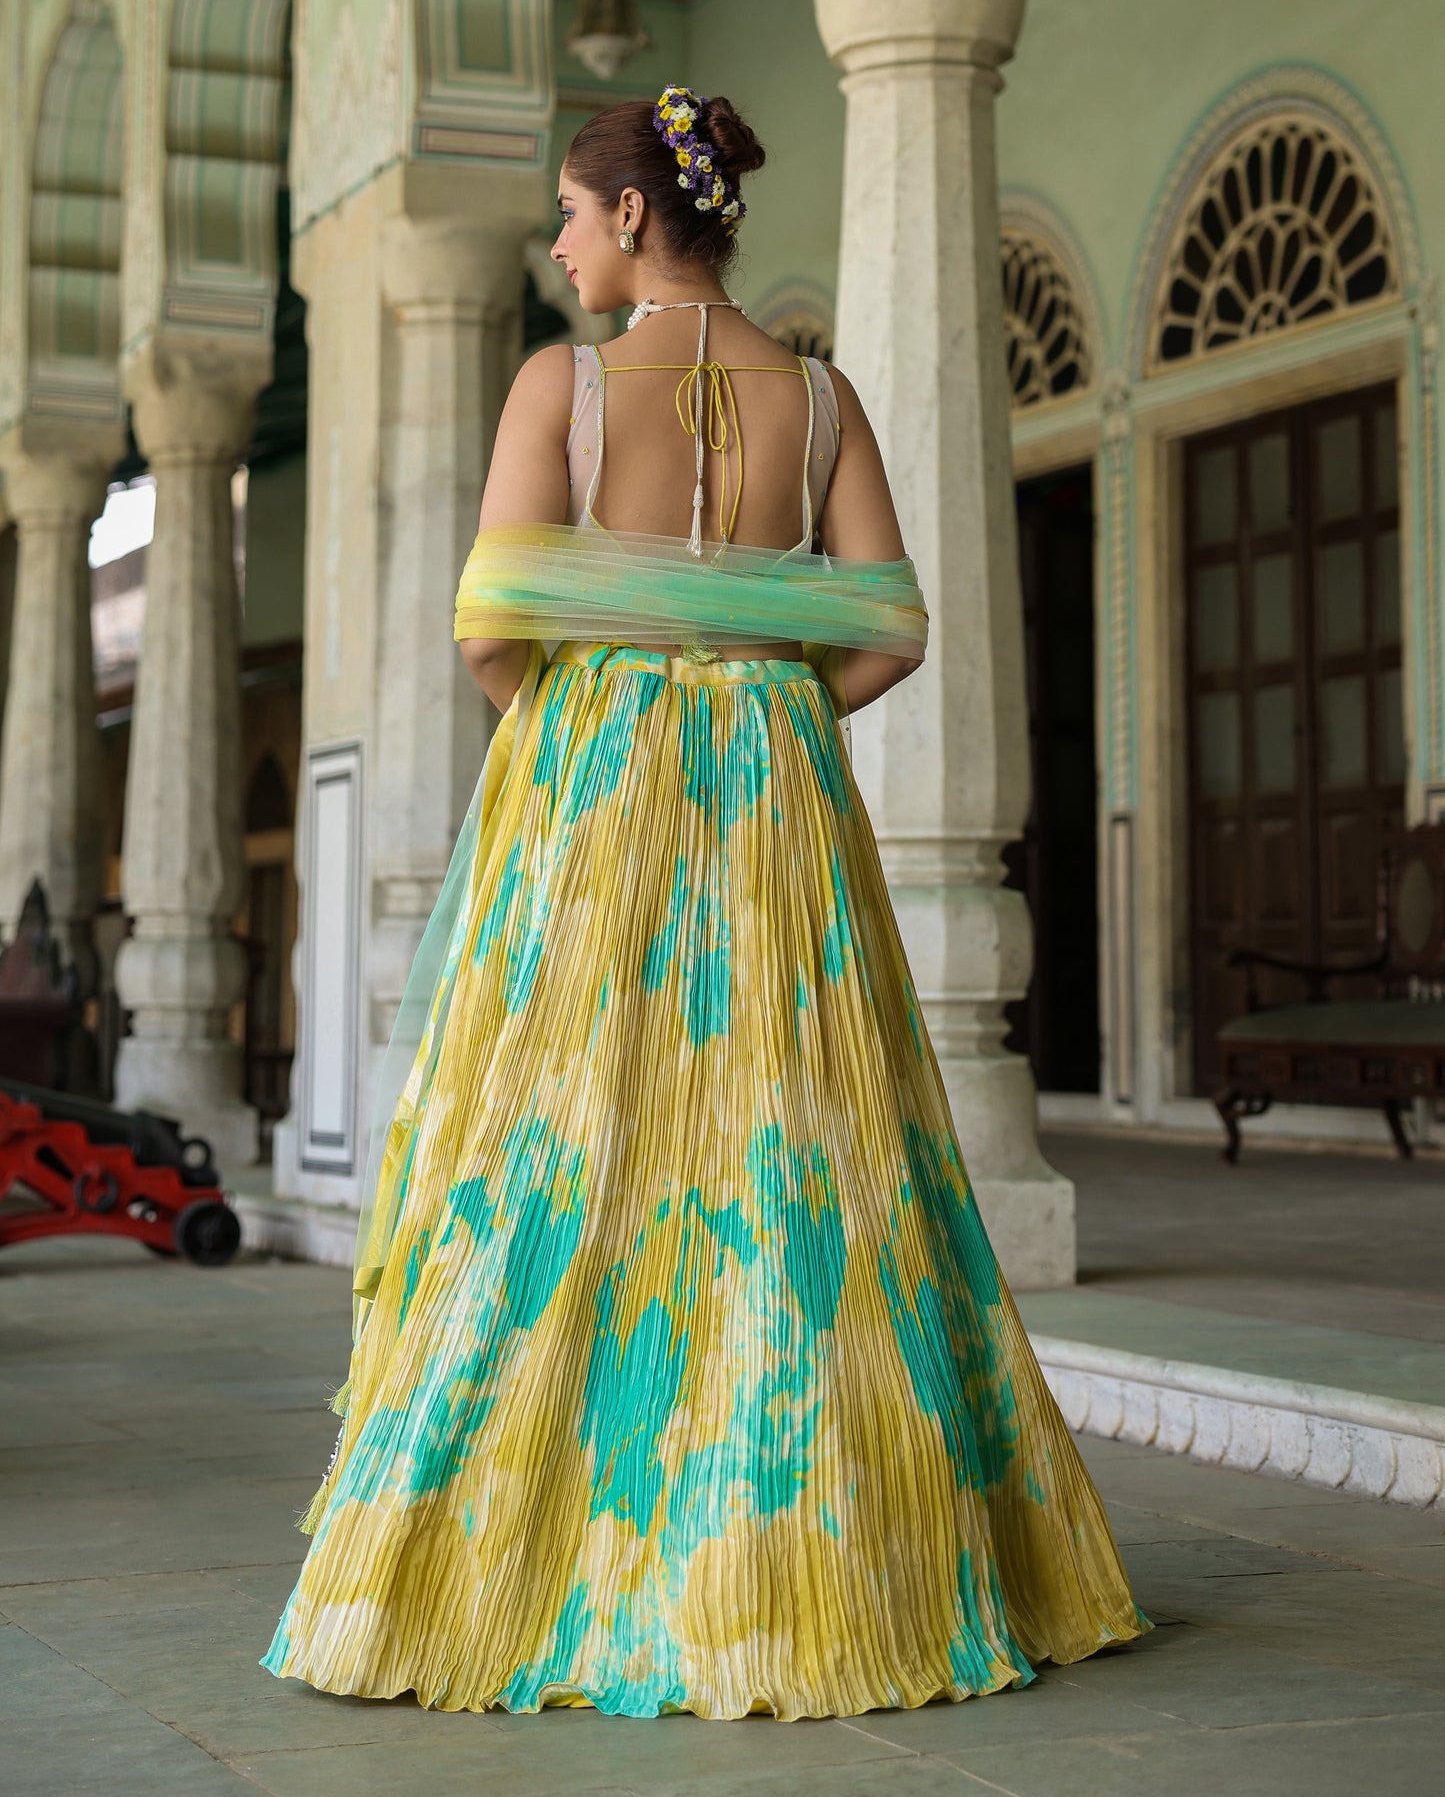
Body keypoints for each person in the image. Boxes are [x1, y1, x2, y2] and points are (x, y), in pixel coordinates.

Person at [263, 83, 1147, 1720]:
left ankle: (524, 1564)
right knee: (793, 1142)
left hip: (596, 788)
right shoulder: (819, 398)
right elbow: (887, 626)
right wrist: (760, 690)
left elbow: (487, 634)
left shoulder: (565, 387)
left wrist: (615, 686)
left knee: (568, 1142)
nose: (551, 243)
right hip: (772, 786)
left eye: (565, 215)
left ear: (623, 220)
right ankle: (819, 1553)